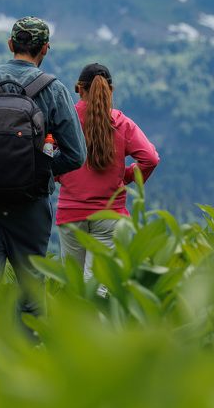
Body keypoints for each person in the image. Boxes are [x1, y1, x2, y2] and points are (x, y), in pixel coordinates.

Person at [0, 16, 85, 308]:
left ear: (10, 44)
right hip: (30, 208)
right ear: (45, 49)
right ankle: (28, 351)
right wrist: (40, 171)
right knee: (31, 295)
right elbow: (76, 154)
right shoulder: (54, 89)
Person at [56, 62, 159, 277]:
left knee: (74, 287)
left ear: (79, 89)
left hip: (71, 214)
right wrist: (127, 176)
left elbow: (47, 155)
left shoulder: (66, 121)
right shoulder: (121, 123)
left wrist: (60, 175)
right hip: (109, 215)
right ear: (110, 90)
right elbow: (149, 158)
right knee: (100, 286)